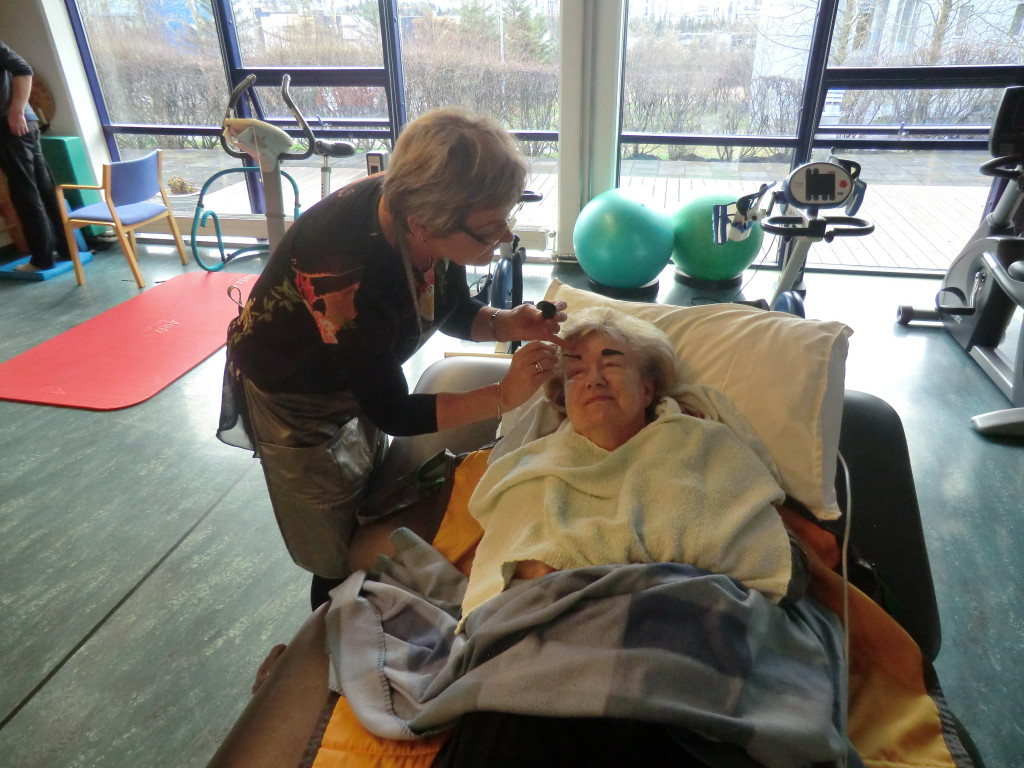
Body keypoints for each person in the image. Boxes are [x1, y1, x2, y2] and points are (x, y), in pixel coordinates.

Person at [218, 106, 567, 609]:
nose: (506, 237)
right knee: (335, 545)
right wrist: (502, 396)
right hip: (298, 397)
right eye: (491, 229)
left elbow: (447, 305)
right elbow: (394, 412)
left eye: (506, 219)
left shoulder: (421, 208)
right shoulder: (341, 270)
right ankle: (334, 618)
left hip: (356, 372)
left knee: (369, 491)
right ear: (423, 225)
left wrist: (505, 322)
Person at [460, 305, 806, 622]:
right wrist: (530, 568)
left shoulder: (703, 445)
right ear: (563, 398)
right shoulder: (531, 469)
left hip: (683, 619)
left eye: (611, 364)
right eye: (576, 372)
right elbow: (494, 582)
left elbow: (782, 565)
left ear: (646, 389)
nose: (594, 379)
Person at [0, 39, 71, 273]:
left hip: (12, 127)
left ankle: (42, 259)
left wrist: (16, 112)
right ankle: (66, 249)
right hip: (22, 125)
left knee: (25, 194)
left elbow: (24, 69)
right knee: (43, 188)